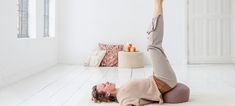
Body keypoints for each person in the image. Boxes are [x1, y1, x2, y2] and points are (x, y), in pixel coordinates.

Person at [91, 0, 177, 105]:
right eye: (104, 85)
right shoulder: (122, 97)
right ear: (107, 94)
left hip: (157, 78)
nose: (107, 82)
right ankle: (158, 3)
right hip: (163, 81)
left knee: (152, 43)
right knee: (153, 45)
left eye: (104, 83)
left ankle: (158, 4)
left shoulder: (121, 90)